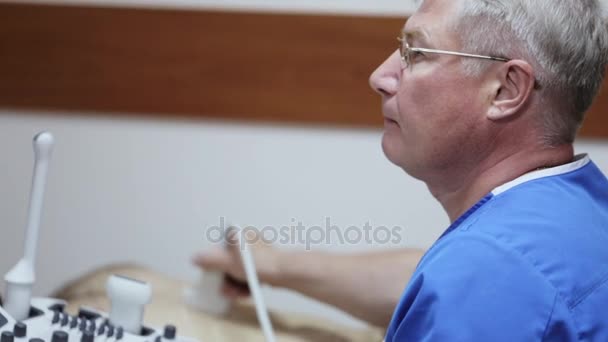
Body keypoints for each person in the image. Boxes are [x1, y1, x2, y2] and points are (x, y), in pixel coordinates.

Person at [194, 0, 608, 340]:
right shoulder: (574, 212)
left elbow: (473, 282)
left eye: (418, 52)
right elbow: (431, 280)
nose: (380, 77)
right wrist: (271, 264)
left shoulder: (487, 271)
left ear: (505, 89)